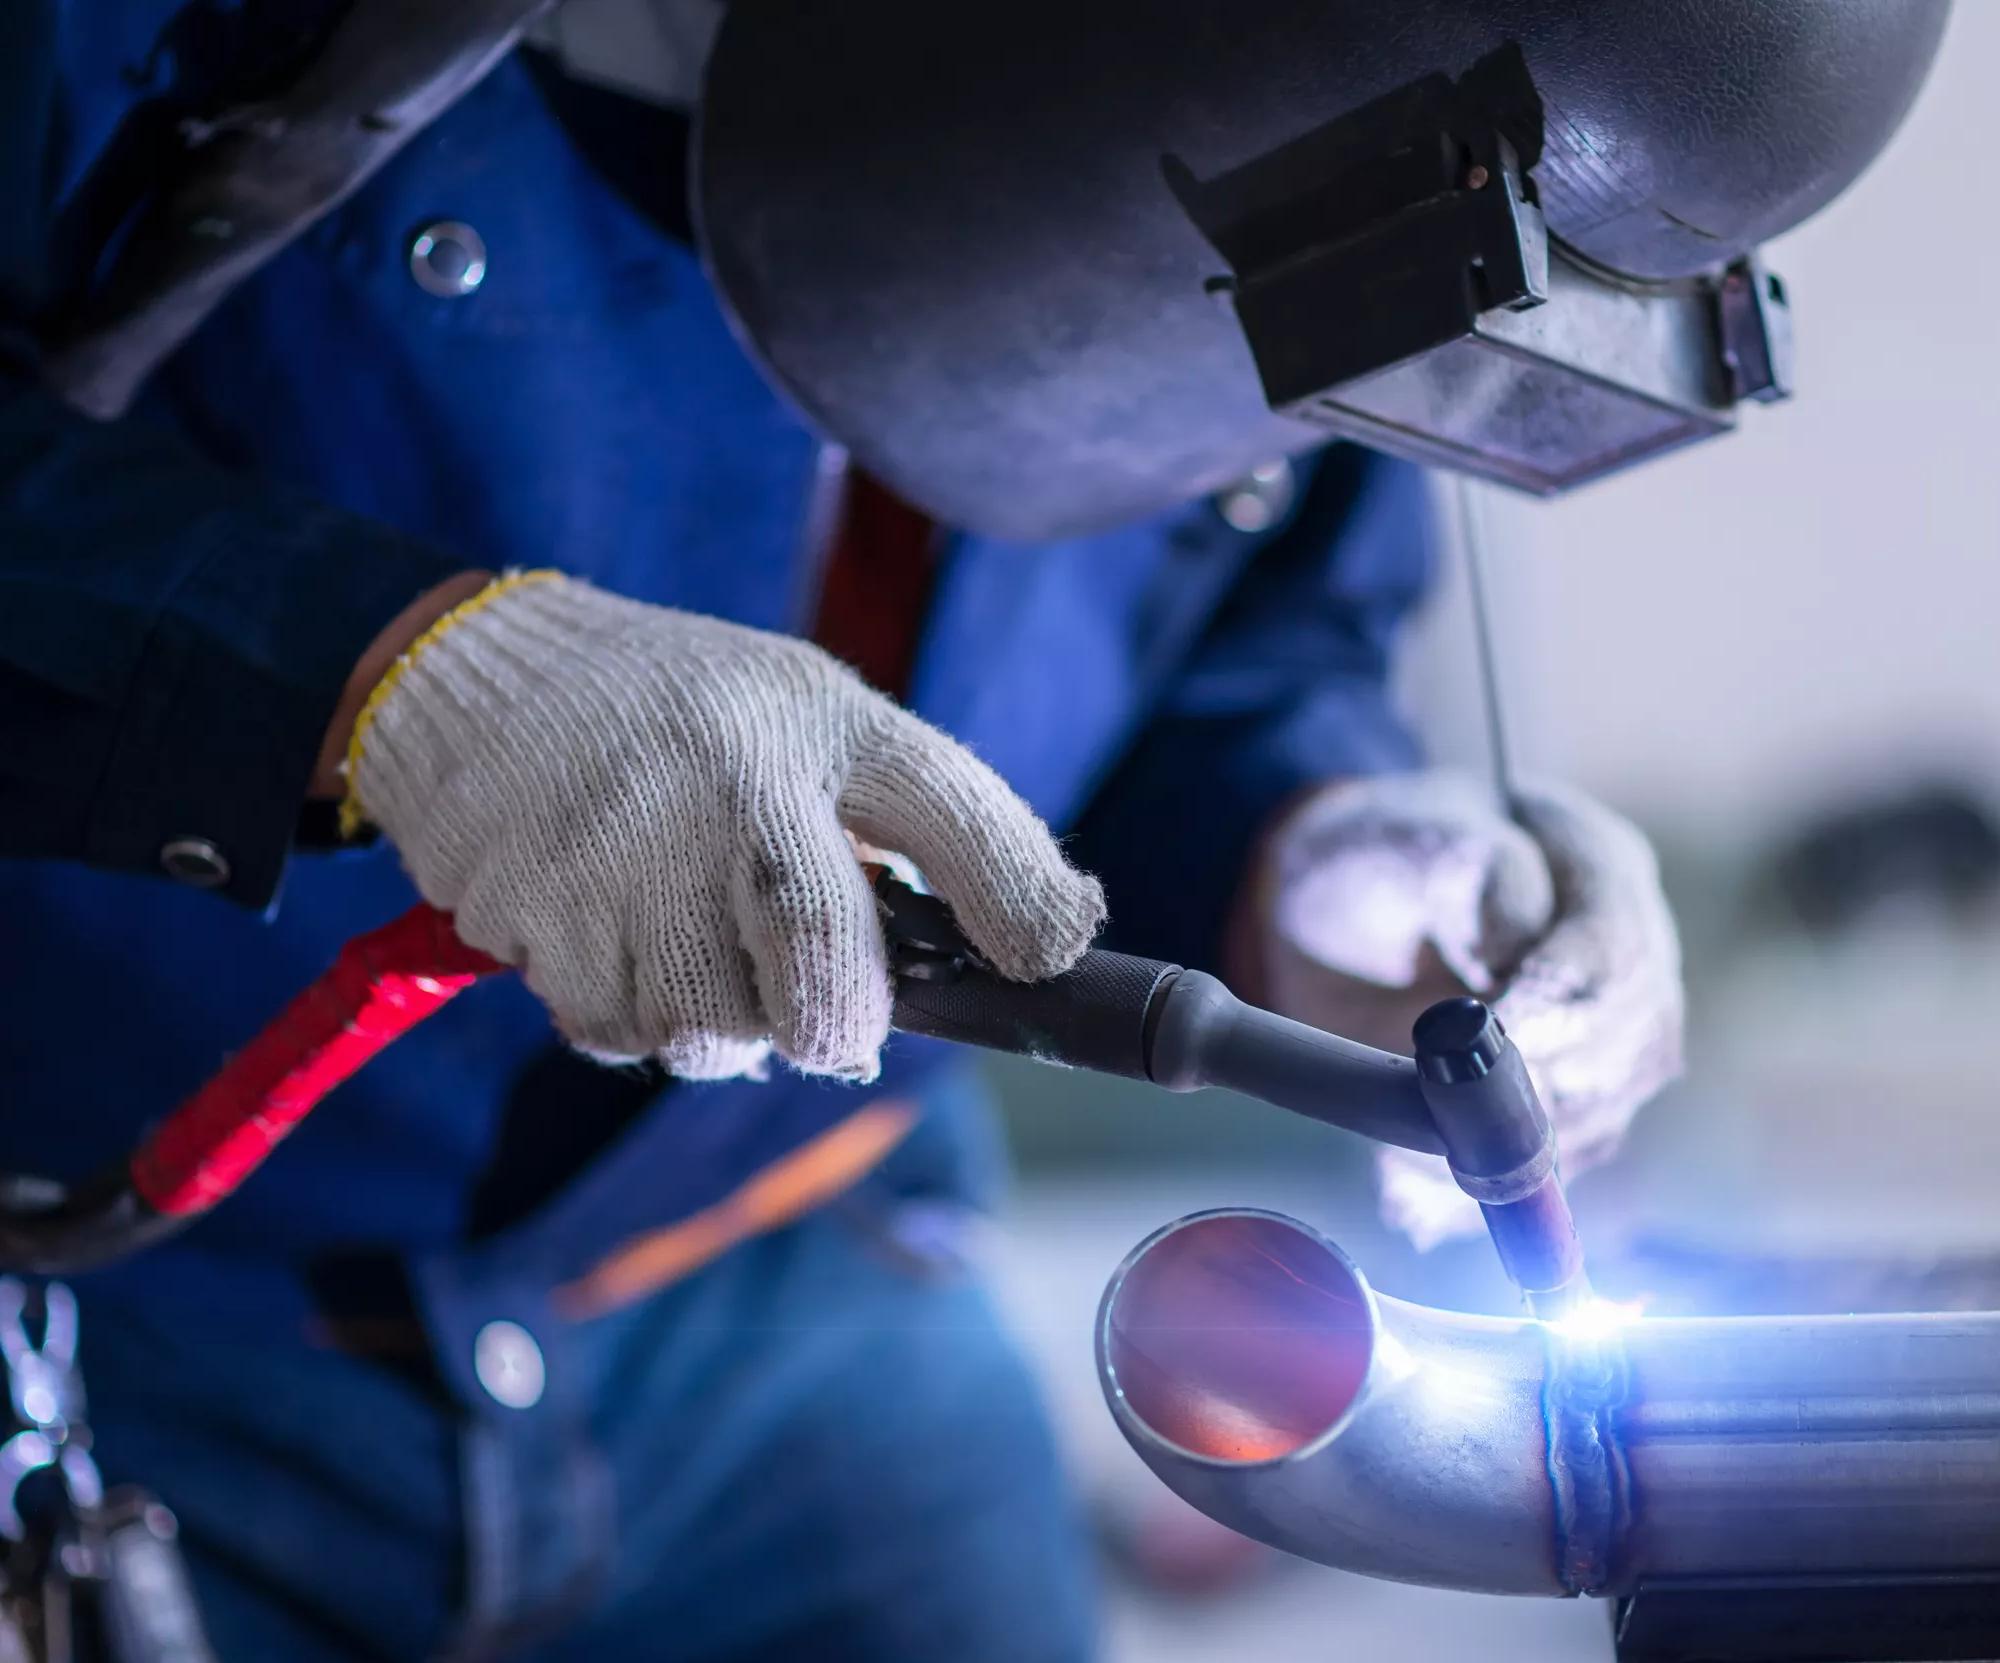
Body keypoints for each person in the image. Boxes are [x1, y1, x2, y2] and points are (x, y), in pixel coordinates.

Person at [0, 7, 1683, 1659]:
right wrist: (387, 662)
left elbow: (1242, 616)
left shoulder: (1327, 85)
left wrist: (1305, 845)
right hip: (134, 1307)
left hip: (809, 1291)